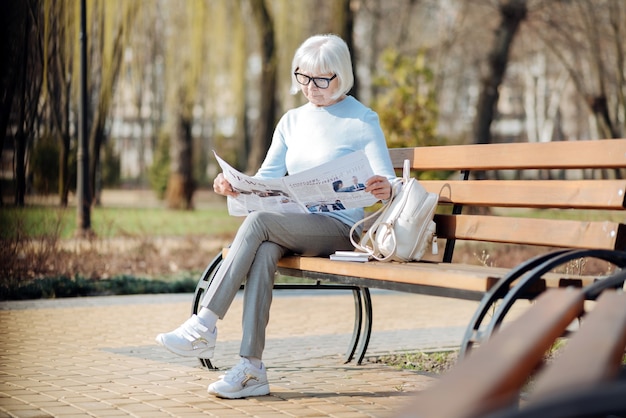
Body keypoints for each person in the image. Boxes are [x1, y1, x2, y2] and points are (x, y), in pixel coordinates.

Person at [155, 33, 396, 399]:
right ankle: (251, 368)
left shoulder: (362, 120)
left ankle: (203, 325)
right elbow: (265, 180)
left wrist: (385, 188)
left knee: (260, 224)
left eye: (321, 80)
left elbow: (388, 179)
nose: (310, 88)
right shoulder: (291, 121)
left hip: (341, 228)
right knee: (265, 247)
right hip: (294, 223)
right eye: (303, 77)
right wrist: (234, 186)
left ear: (341, 76)